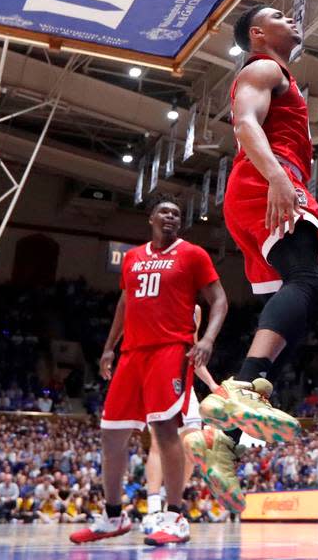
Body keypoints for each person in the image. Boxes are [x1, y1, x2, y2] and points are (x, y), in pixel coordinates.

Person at [202, 4, 318, 509]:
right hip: (269, 179)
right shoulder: (263, 68)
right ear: (257, 33)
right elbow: (244, 119)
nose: (293, 17)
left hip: (260, 185)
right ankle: (243, 393)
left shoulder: (280, 73)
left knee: (292, 313)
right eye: (280, 14)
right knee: (306, 279)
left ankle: (222, 444)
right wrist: (278, 175)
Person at [71, 195, 228, 547]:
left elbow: (219, 300)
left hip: (170, 350)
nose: (171, 216)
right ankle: (113, 516)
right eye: (165, 212)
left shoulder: (193, 254)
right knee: (111, 435)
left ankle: (174, 517)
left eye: (177, 213)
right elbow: (125, 303)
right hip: (131, 354)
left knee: (164, 432)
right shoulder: (132, 257)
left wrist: (208, 340)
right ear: (151, 218)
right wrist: (110, 346)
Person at [142, 307, 222, 533]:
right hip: (157, 375)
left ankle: (172, 507)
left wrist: (212, 384)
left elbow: (193, 353)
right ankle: (153, 510)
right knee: (159, 445)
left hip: (185, 386)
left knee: (193, 446)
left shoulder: (194, 309)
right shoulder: (153, 299)